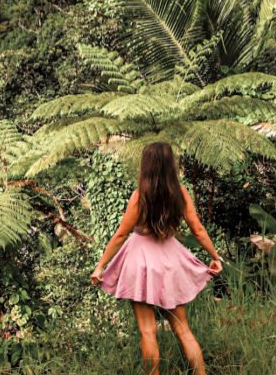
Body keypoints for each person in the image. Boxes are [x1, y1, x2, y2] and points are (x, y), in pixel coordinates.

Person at [90, 141, 223, 375]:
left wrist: (101, 266)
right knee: (182, 329)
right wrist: (215, 257)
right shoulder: (180, 194)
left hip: (140, 263)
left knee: (147, 331)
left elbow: (121, 234)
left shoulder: (140, 196)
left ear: (146, 166)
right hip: (171, 261)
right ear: (171, 165)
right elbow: (198, 230)